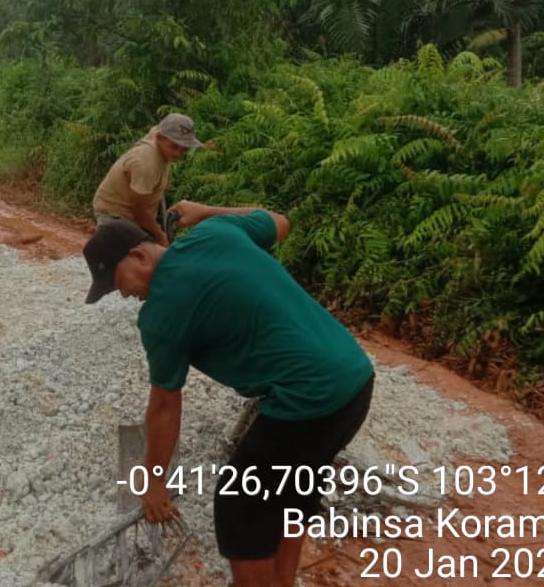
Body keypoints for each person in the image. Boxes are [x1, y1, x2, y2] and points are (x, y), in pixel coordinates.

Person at [82, 200, 375, 587]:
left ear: (138, 255)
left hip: (308, 397)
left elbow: (165, 405)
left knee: (239, 505)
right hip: (353, 379)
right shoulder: (215, 232)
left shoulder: (161, 314)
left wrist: (153, 481)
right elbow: (281, 221)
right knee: (294, 490)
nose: (123, 295)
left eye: (118, 284)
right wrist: (205, 212)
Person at [91, 114, 204, 246]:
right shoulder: (145, 163)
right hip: (115, 214)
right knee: (133, 260)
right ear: (160, 139)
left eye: (185, 149)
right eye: (174, 147)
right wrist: (160, 236)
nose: (178, 153)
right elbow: (140, 211)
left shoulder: (160, 136)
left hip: (139, 210)